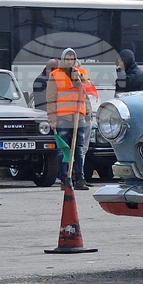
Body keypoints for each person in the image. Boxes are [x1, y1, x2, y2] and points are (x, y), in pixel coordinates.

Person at [47, 48, 97, 190]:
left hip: (78, 116)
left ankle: (79, 178)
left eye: (72, 59)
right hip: (63, 117)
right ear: (63, 60)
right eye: (67, 59)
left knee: (79, 149)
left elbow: (89, 89)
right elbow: (50, 99)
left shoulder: (81, 73)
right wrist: (52, 119)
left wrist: (79, 77)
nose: (70, 62)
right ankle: (65, 178)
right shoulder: (55, 75)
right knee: (64, 149)